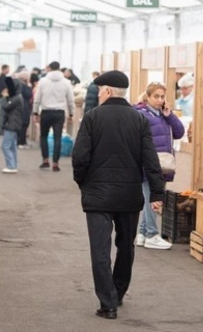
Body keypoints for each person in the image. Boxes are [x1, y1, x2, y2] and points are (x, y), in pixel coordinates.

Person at [72, 70, 165, 319]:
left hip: (98, 197)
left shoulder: (92, 118)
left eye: (101, 89)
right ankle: (119, 292)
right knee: (126, 247)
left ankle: (108, 302)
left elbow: (80, 157)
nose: (100, 93)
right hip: (128, 195)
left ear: (109, 91)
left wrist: (83, 182)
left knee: (100, 250)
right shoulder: (139, 120)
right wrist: (157, 193)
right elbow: (151, 160)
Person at [133, 82, 185, 250]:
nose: (160, 99)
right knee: (153, 198)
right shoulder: (141, 114)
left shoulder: (163, 115)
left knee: (151, 197)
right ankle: (151, 234)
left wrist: (170, 115)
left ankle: (142, 233)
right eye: (156, 96)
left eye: (162, 96)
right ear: (147, 97)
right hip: (149, 164)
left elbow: (179, 132)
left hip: (162, 163)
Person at [33, 61, 75, 172]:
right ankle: (56, 163)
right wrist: (71, 113)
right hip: (59, 113)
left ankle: (45, 160)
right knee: (58, 137)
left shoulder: (42, 81)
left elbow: (37, 99)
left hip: (46, 112)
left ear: (49, 68)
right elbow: (70, 100)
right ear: (59, 68)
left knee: (43, 136)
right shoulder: (66, 82)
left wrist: (35, 112)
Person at [0, 77, 23, 174]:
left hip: (11, 124)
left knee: (6, 146)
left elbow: (5, 106)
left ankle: (11, 166)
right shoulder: (17, 97)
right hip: (14, 124)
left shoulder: (16, 98)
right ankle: (13, 165)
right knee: (12, 146)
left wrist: (3, 97)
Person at [16, 71, 33, 149]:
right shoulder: (23, 86)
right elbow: (28, 95)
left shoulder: (19, 85)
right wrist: (29, 87)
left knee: (24, 124)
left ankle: (22, 141)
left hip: (23, 107)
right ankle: (21, 141)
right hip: (23, 107)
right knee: (23, 124)